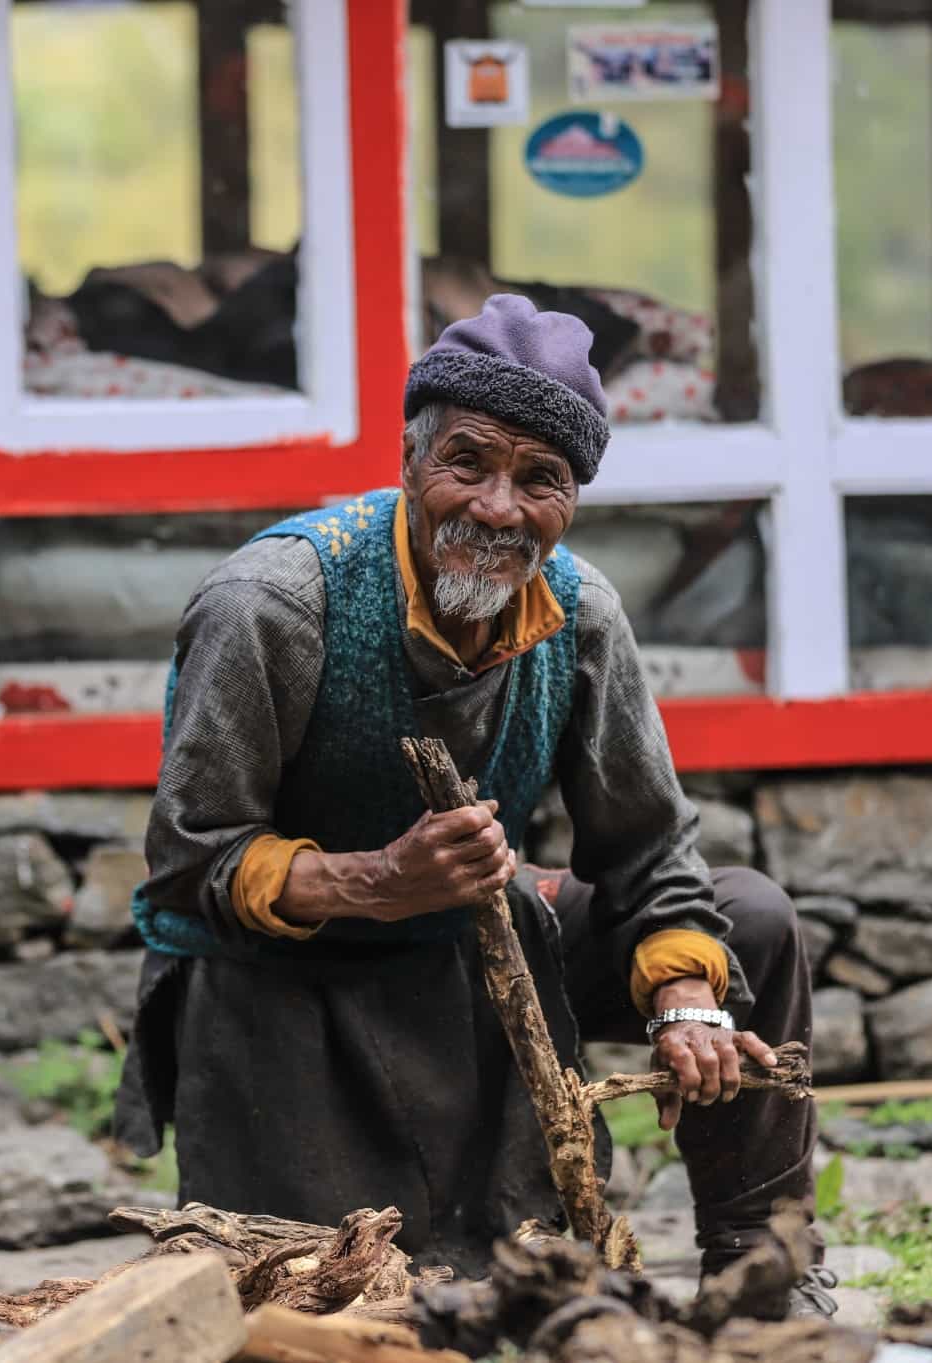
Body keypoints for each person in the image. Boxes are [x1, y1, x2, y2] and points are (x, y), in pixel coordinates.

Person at [115, 294, 832, 1315]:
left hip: (478, 944)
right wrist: (372, 880)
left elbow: (649, 853)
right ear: (412, 464)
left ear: (571, 499)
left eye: (538, 479)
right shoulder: (273, 605)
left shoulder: (577, 614)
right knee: (354, 1307)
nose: (497, 508)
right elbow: (190, 866)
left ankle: (765, 1285)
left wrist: (686, 1003)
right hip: (281, 990)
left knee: (746, 920)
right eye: (468, 463)